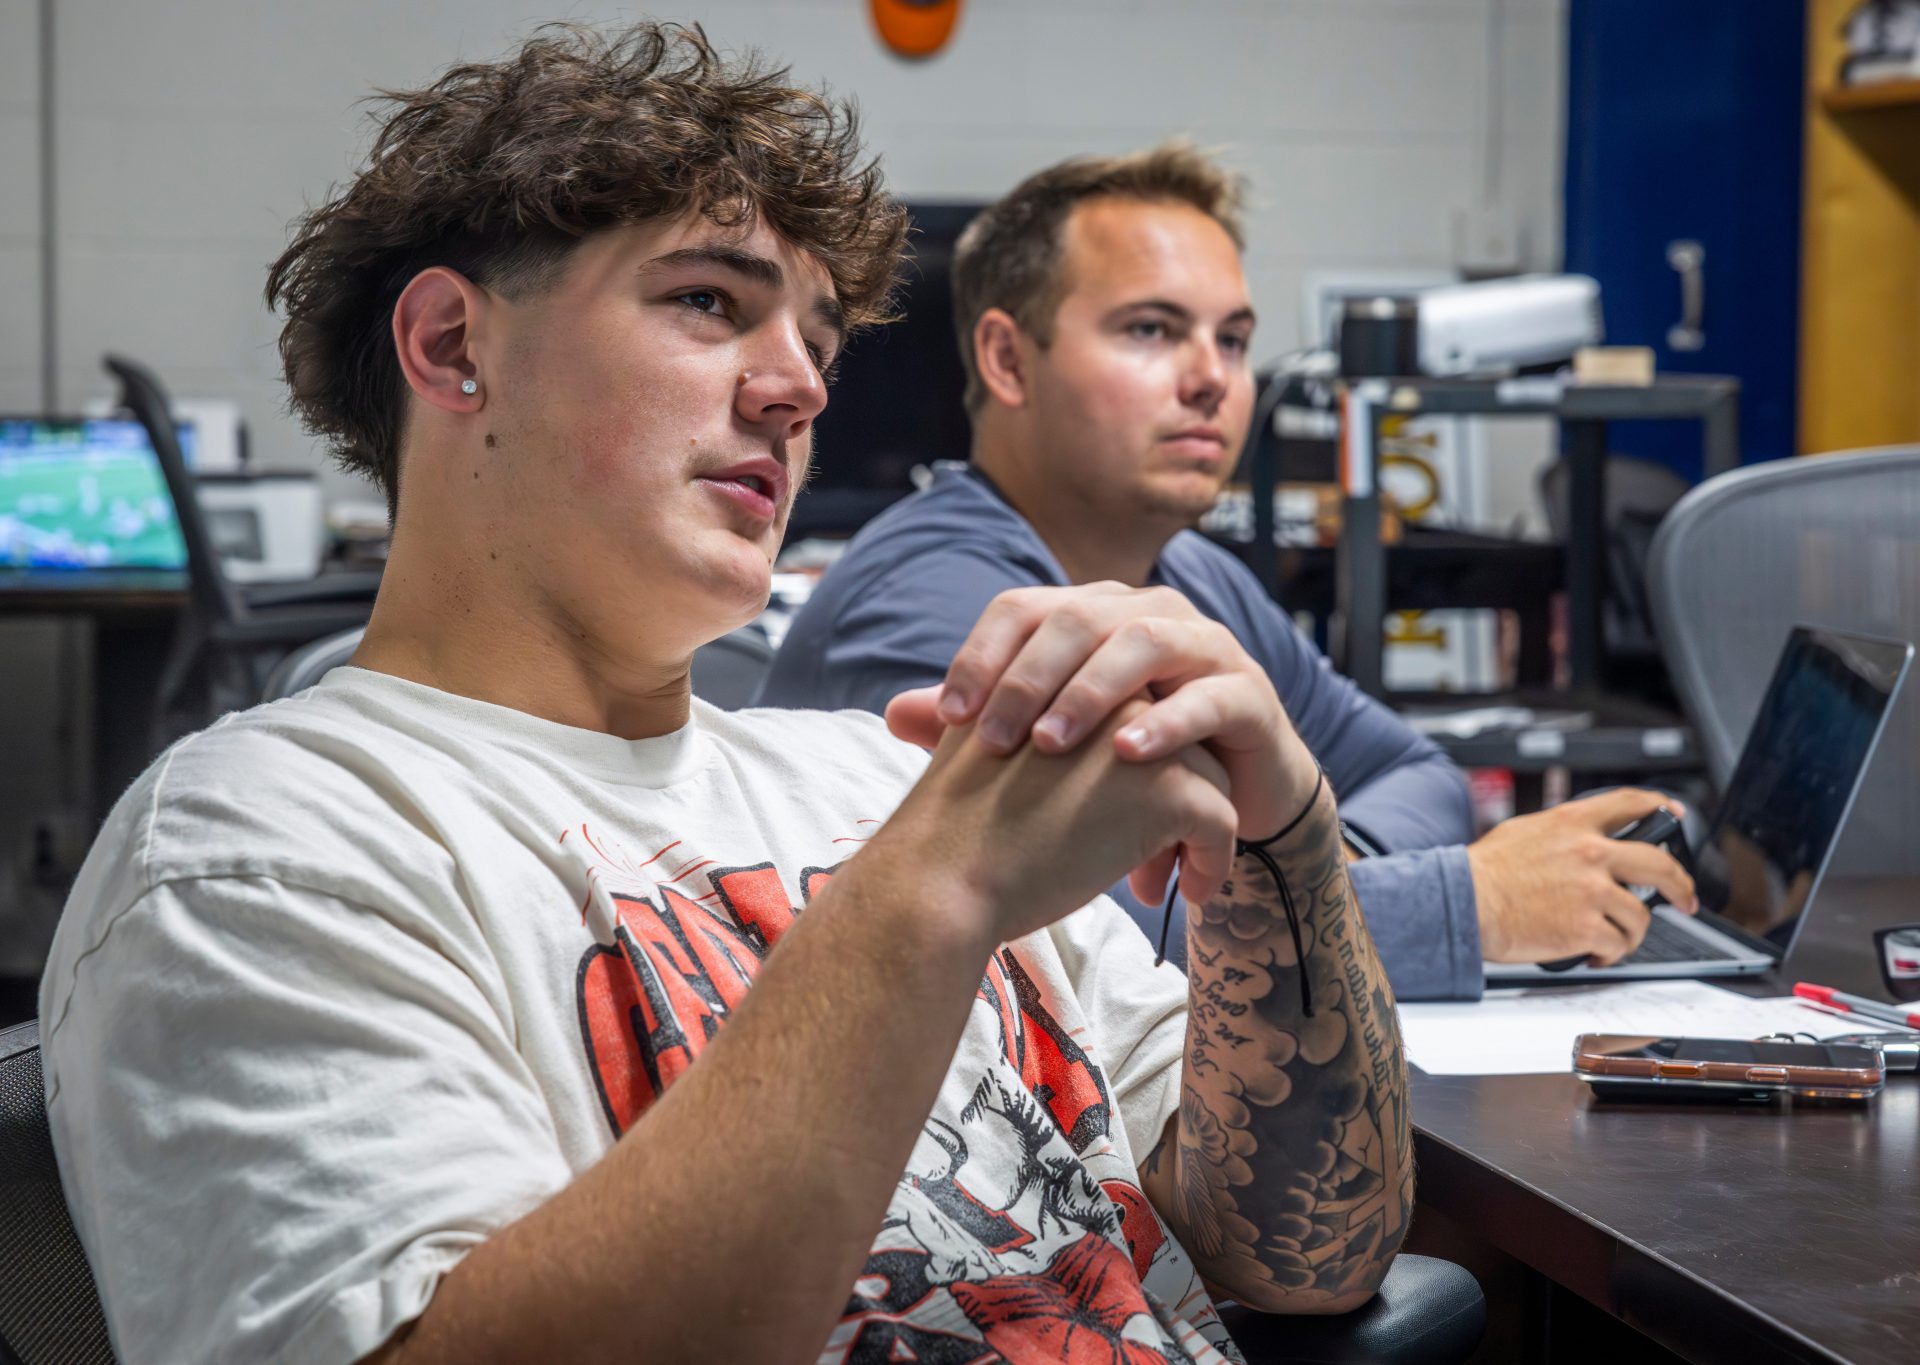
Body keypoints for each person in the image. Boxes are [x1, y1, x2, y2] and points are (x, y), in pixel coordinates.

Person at [38, 27, 1412, 1365]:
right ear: (455, 344)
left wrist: (1282, 846)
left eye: (816, 338)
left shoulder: (883, 775)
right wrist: (926, 902)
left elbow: (1300, 1258)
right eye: (708, 301)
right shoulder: (262, 848)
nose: (798, 387)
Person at [760, 144, 1698, 998]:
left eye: (1235, 340)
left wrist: (1330, 878)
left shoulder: (1193, 575)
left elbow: (1414, 769)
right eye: (1152, 330)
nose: (1212, 377)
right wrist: (1465, 902)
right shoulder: (935, 598)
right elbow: (1082, 944)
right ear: (1007, 359)